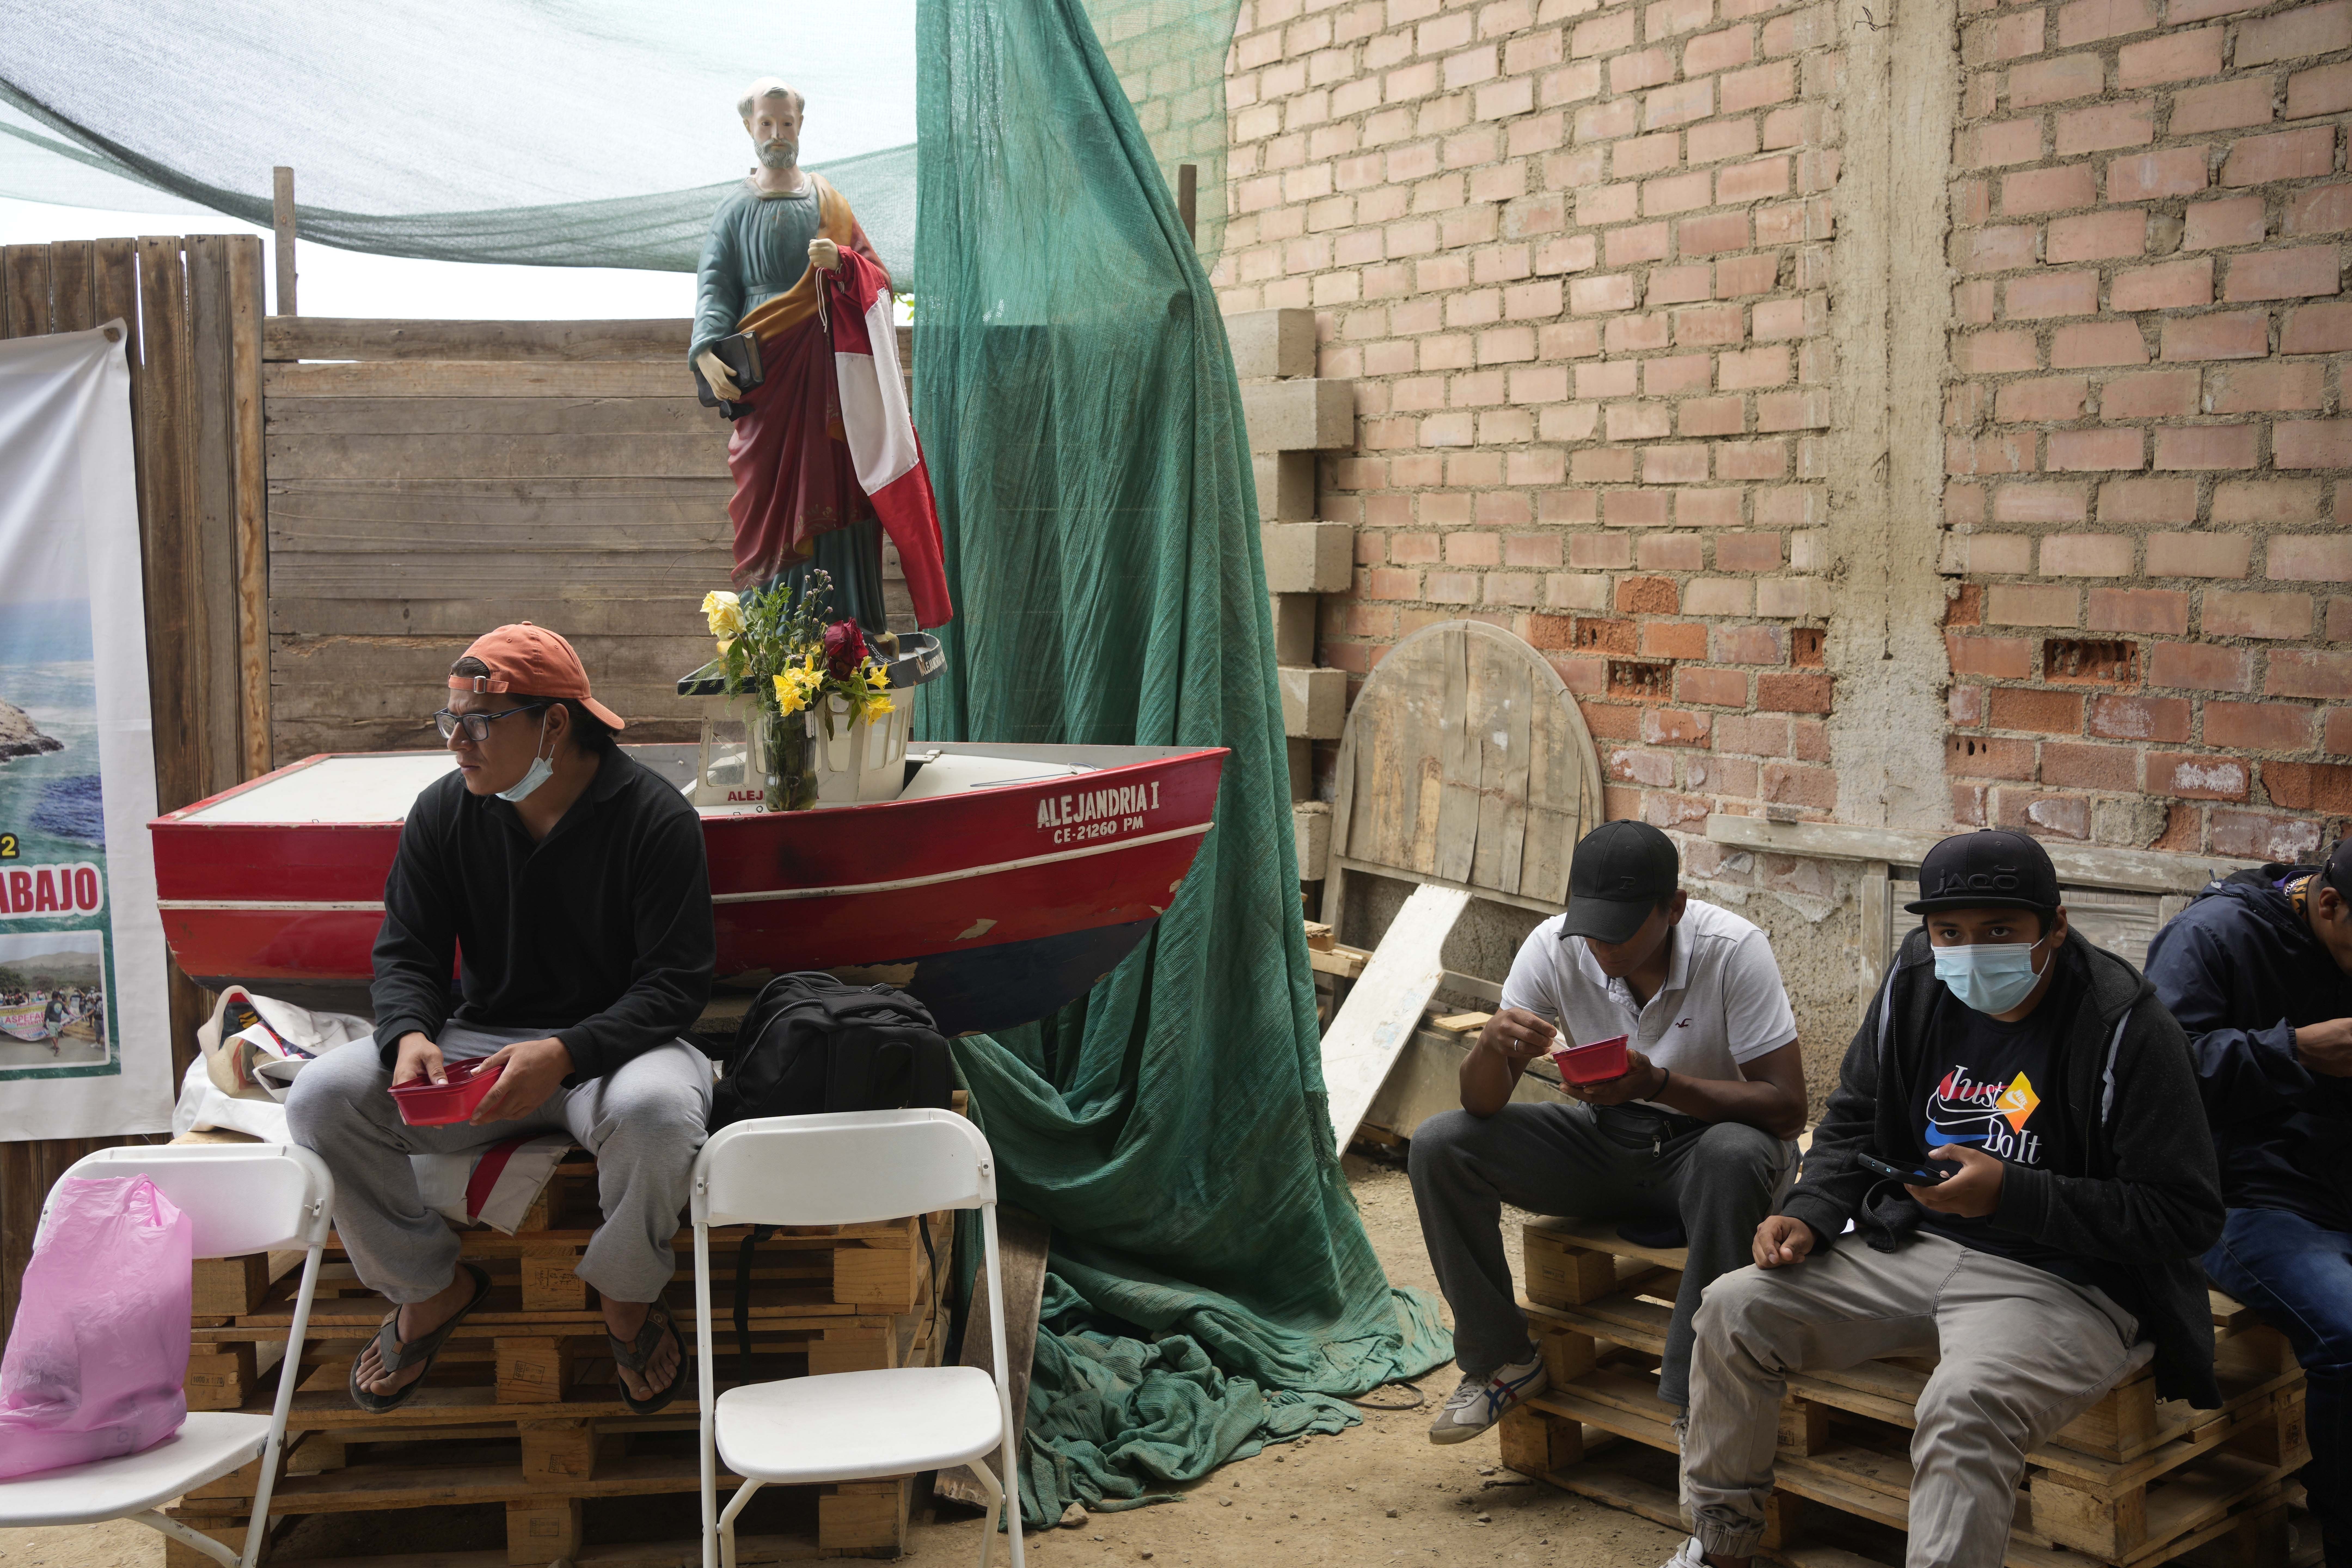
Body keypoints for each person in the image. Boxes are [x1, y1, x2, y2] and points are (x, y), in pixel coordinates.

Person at [1664, 829, 2222, 1568]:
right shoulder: (1919, 980)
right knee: (1734, 1309)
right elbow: (1857, 1112)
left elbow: (2184, 1215)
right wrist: (1811, 1210)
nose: (1970, 951)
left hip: (2069, 1283)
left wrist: (2012, 1194)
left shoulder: (2128, 1026)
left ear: (2054, 926)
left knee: (1963, 1406)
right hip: (1915, 1244)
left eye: (2000, 930)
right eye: (1949, 931)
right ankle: (1721, 1546)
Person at [286, 623, 716, 1414]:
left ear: (554, 724)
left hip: (621, 1048)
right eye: (448, 720)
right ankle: (428, 1286)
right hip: (480, 1042)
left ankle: (625, 1295)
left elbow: (676, 986)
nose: (458, 742)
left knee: (660, 1113)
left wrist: (566, 1052)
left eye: (479, 722)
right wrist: (410, 1034)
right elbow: (407, 954)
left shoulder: (654, 820)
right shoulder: (445, 813)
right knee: (321, 1097)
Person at [1408, 819, 1808, 1443]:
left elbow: (1788, 1111)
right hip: (1607, 1140)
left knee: (1735, 1155)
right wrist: (1492, 1046)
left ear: (1673, 908)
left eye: (1619, 932)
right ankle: (1502, 1363)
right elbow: (1480, 1106)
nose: (1600, 946)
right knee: (1441, 1145)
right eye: (1589, 927)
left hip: (1710, 1153)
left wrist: (1659, 1086)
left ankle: (1694, 1398)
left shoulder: (1733, 950)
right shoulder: (1554, 946)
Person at [2144, 835, 2352, 1567]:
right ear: (2329, 904)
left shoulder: (2342, 934)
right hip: (2239, 1197)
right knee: (2348, 1331)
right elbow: (2152, 1082)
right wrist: (2290, 1050)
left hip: (2334, 1182)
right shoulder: (2214, 937)